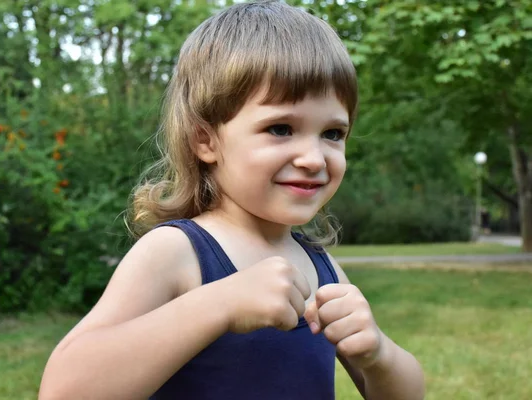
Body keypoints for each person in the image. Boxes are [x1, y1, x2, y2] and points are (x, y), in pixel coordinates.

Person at [39, 1, 425, 399]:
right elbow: (63, 390)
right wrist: (220, 305)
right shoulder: (177, 252)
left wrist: (378, 354)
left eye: (332, 133)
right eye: (280, 128)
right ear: (205, 140)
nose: (313, 158)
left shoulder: (321, 267)